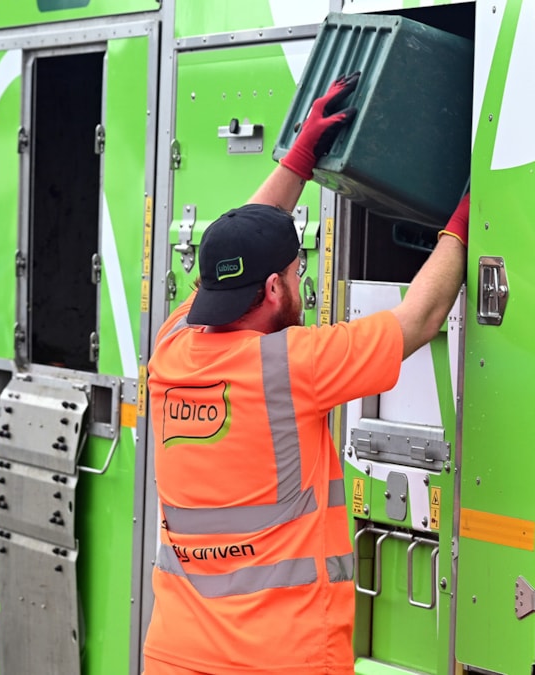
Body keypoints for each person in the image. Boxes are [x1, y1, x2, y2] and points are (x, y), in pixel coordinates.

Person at [142, 73, 469, 675]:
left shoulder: (172, 345)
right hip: (279, 658)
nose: (300, 282)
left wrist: (299, 157)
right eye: (295, 273)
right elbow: (420, 318)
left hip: (176, 655)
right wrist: (468, 217)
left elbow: (238, 247)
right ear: (274, 288)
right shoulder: (292, 367)